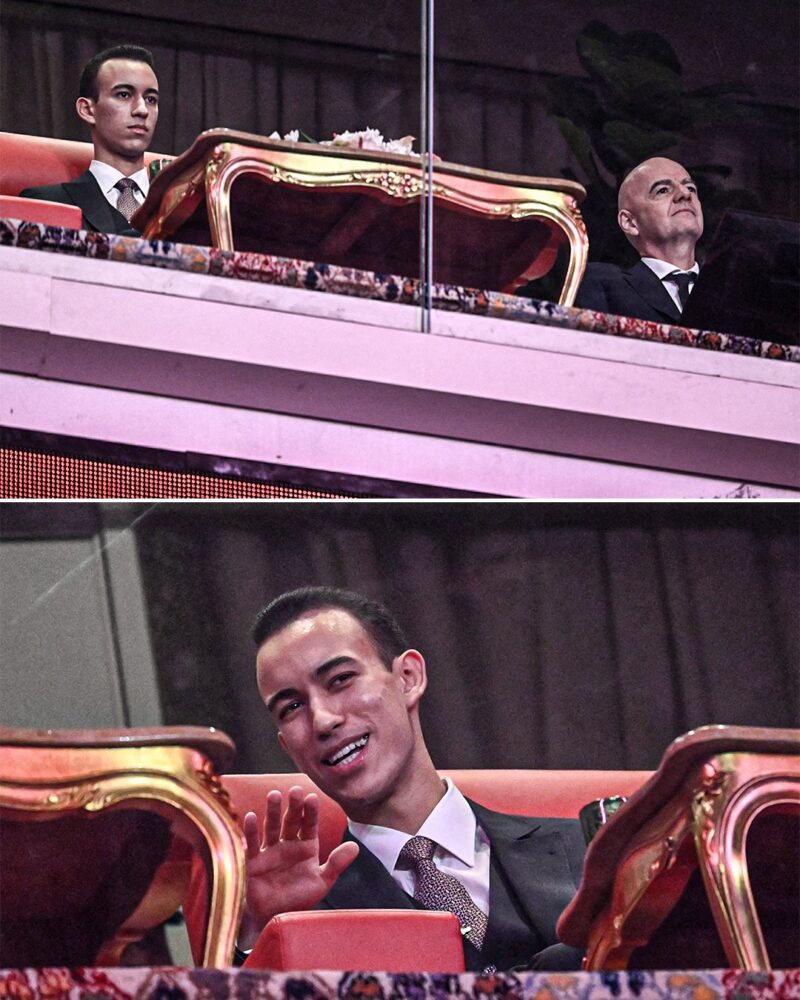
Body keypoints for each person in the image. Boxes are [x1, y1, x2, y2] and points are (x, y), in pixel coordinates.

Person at [241, 585, 586, 972]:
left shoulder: (590, 850)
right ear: (288, 747)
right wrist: (267, 944)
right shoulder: (303, 915)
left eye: (340, 679)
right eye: (292, 707)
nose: (323, 720)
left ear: (407, 677)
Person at [19, 45, 159, 235]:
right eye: (124, 95)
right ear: (87, 110)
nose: (142, 110)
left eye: (150, 99)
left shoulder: (186, 207)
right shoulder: (45, 203)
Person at [575, 157, 704, 324]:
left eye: (691, 188)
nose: (685, 194)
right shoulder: (601, 282)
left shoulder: (735, 293)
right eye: (663, 190)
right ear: (630, 222)